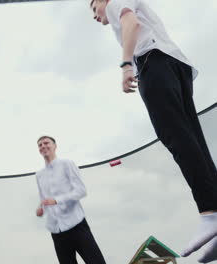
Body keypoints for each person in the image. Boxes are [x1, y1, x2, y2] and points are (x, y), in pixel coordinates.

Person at [89, 0, 217, 262]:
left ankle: (209, 212)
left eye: (93, 8)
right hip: (174, 64)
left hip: (153, 63)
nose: (94, 15)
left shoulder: (114, 4)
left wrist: (126, 64)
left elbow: (130, 23)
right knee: (191, 137)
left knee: (174, 135)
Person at [35, 136, 106, 264]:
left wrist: (57, 200)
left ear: (55, 146)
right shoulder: (39, 175)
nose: (43, 146)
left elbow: (81, 191)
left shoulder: (67, 164)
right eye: (40, 145)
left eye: (46, 143)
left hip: (76, 225)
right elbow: (43, 200)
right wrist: (41, 209)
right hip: (56, 231)